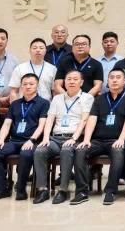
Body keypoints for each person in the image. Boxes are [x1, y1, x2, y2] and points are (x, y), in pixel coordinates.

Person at [77, 68, 125, 205]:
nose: (114, 80)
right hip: (97, 140)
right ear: (107, 81)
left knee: (118, 151)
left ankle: (110, 190)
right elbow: (92, 120)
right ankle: (82, 191)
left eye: (118, 77)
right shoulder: (99, 99)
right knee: (80, 150)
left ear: (124, 81)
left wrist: (121, 139)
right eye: (111, 77)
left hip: (117, 140)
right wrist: (86, 140)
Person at [34, 70, 93, 204]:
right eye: (69, 79)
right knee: (40, 150)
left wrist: (74, 138)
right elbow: (50, 119)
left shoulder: (87, 98)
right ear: (64, 82)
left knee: (66, 151)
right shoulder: (57, 98)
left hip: (74, 138)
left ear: (81, 82)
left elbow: (84, 120)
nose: (71, 82)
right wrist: (45, 138)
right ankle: (42, 190)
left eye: (75, 79)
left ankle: (63, 190)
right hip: (55, 138)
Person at [0, 73, 49, 201]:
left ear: (37, 85)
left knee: (26, 154)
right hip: (14, 141)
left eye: (31, 84)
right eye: (25, 84)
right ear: (21, 86)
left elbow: (42, 125)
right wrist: (1, 140)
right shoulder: (15, 104)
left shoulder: (43, 103)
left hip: (32, 141)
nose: (28, 86)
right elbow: (7, 124)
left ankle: (21, 190)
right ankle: (1, 189)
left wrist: (31, 140)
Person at [9, 37, 57, 101]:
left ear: (45, 51)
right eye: (35, 48)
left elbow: (54, 92)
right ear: (29, 50)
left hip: (46, 105)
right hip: (24, 105)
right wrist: (14, 106)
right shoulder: (20, 68)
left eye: (41, 48)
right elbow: (14, 91)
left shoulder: (52, 69)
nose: (38, 50)